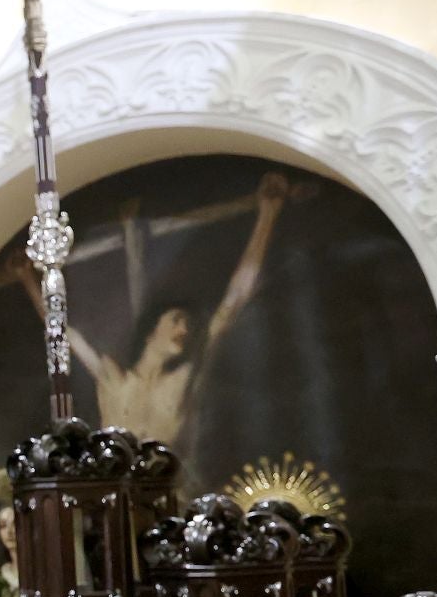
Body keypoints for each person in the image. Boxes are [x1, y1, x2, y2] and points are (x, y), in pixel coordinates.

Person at [17, 170, 290, 446]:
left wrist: (268, 215)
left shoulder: (183, 380)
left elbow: (234, 300)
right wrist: (27, 279)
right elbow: (62, 330)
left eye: (188, 325)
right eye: (177, 320)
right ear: (151, 330)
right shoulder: (111, 379)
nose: (184, 329)